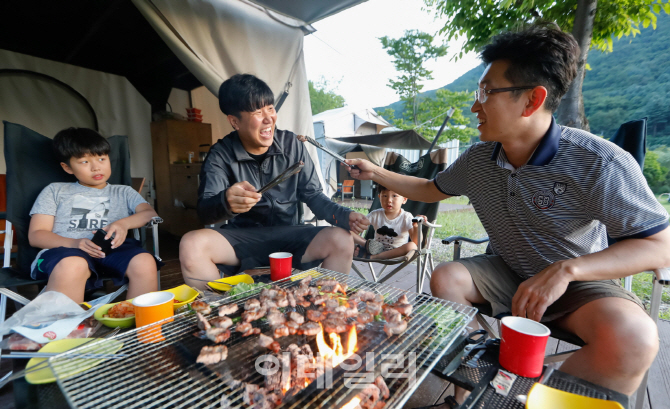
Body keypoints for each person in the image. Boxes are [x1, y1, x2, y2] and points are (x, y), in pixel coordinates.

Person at [346, 24, 670, 399]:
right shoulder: (479, 159)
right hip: (507, 271)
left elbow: (660, 246)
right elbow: (429, 189)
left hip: (578, 283)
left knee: (636, 337)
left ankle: (519, 396)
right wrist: (376, 171)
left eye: (486, 92)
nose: (474, 105)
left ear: (532, 100)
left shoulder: (599, 162)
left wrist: (567, 270)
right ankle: (467, 397)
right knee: (448, 277)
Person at [179, 74, 369, 289]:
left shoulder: (292, 145)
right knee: (192, 244)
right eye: (257, 112)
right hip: (241, 238)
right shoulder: (221, 154)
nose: (268, 118)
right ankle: (220, 313)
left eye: (270, 108)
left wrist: (345, 216)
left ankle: (324, 309)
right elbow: (205, 211)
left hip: (290, 235)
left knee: (342, 239)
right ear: (234, 121)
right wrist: (226, 202)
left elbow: (313, 195)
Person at [28, 128, 160, 303]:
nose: (96, 167)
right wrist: (74, 243)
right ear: (67, 167)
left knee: (144, 261)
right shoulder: (55, 191)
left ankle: (145, 325)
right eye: (84, 161)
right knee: (74, 264)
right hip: (65, 252)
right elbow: (36, 235)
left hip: (112, 251)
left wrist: (123, 224)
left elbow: (149, 213)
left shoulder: (124, 192)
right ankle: (65, 329)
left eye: (101, 159)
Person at [353, 185, 426, 260]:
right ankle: (365, 246)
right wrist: (356, 224)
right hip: (375, 250)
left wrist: (416, 226)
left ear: (404, 199)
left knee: (412, 246)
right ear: (379, 197)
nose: (389, 200)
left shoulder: (406, 217)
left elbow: (416, 241)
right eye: (384, 196)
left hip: (396, 252)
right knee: (346, 231)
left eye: (394, 196)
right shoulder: (375, 214)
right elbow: (359, 225)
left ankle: (373, 257)